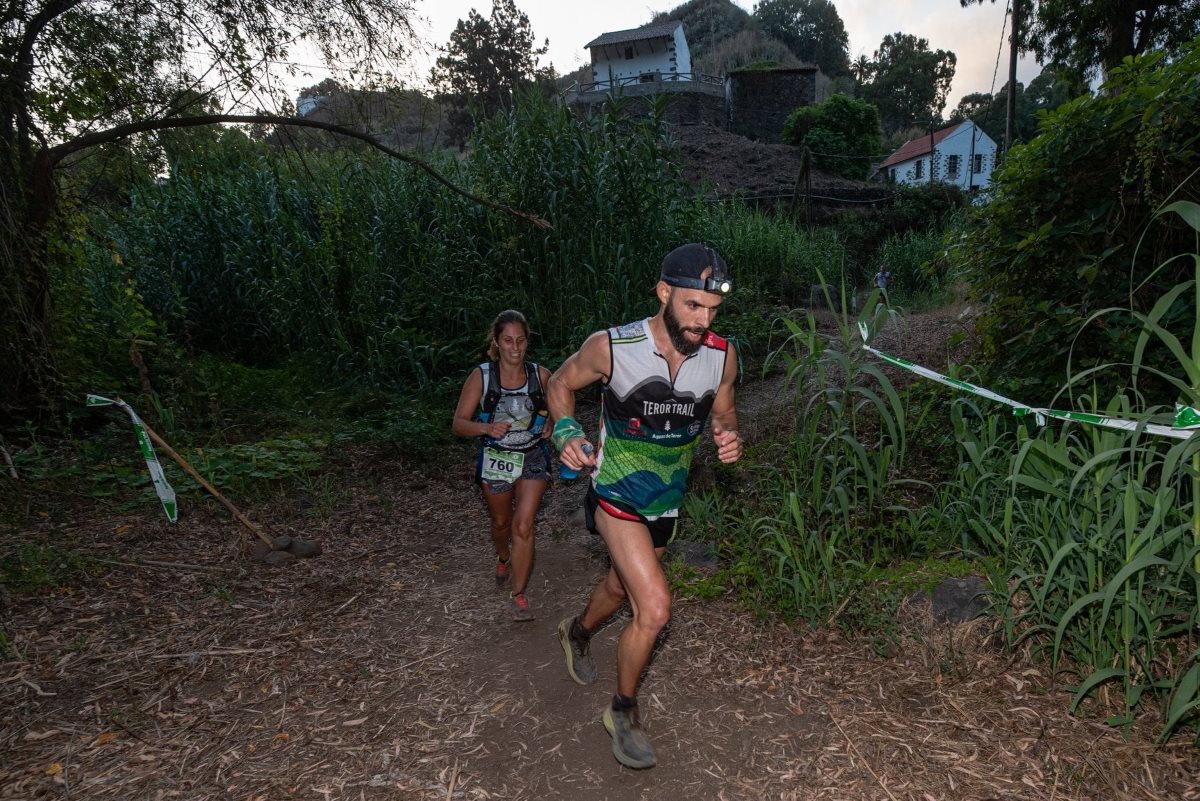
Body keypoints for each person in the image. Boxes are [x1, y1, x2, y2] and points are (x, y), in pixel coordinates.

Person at [547, 243, 742, 769]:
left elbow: (724, 413)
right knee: (653, 606)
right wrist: (565, 428)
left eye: (712, 310)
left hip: (667, 501)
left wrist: (728, 436)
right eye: (692, 307)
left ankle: (577, 632)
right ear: (664, 294)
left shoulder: (722, 355)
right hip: (615, 493)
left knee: (620, 584)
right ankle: (623, 711)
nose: (703, 322)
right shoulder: (613, 346)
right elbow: (560, 382)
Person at [452, 310, 552, 622]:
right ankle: (503, 554)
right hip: (498, 457)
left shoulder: (541, 375)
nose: (515, 347)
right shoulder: (481, 376)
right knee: (501, 523)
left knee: (524, 525)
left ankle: (519, 593)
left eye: (520, 340)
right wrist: (485, 429)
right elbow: (458, 424)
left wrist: (553, 422)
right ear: (497, 342)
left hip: (533, 455)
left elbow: (563, 406)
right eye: (508, 341)